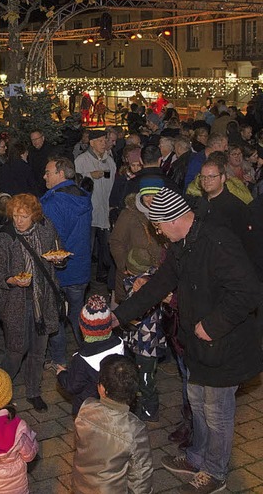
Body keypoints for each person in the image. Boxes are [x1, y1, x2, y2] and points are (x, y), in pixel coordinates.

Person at [113, 187, 262, 494]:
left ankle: (215, 473)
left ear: (173, 219)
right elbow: (158, 286)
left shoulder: (217, 241)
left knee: (217, 413)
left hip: (224, 345)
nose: (157, 233)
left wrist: (212, 324)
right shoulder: (182, 244)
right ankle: (197, 457)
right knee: (197, 403)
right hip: (196, 345)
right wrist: (119, 315)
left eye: (157, 226)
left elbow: (249, 291)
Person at [0, 193, 62, 412]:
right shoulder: (6, 237)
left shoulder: (46, 229)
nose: (18, 220)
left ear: (35, 215)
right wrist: (10, 280)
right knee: (15, 350)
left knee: (38, 351)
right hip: (15, 302)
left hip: (43, 300)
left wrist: (59, 261)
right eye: (15, 215)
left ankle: (33, 392)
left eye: (24, 216)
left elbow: (58, 253)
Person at [71, 354, 154, 494]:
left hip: (81, 486)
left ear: (102, 389)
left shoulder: (86, 409)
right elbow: (140, 475)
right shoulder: (134, 429)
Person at [40, 157, 93, 372]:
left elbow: (52, 237)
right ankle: (89, 354)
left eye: (48, 172)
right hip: (80, 266)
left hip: (59, 269)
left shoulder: (53, 203)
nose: (45, 176)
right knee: (77, 313)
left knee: (55, 315)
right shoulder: (83, 197)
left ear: (61, 174)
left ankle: (59, 360)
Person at [56, 295, 125, 416]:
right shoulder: (119, 344)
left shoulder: (82, 358)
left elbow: (72, 386)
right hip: (114, 407)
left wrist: (62, 374)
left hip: (88, 409)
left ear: (83, 328)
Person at [120, 248, 168, 423]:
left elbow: (136, 310)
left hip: (147, 343)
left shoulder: (143, 286)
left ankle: (150, 410)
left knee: (146, 378)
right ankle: (141, 402)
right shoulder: (153, 280)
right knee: (140, 374)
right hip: (142, 340)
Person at [74, 129, 116, 284]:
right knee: (87, 245)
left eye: (105, 141)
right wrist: (90, 175)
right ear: (91, 143)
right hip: (89, 210)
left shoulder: (109, 161)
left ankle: (102, 274)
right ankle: (84, 276)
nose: (104, 144)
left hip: (105, 209)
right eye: (100, 141)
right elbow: (77, 183)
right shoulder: (81, 160)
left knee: (106, 245)